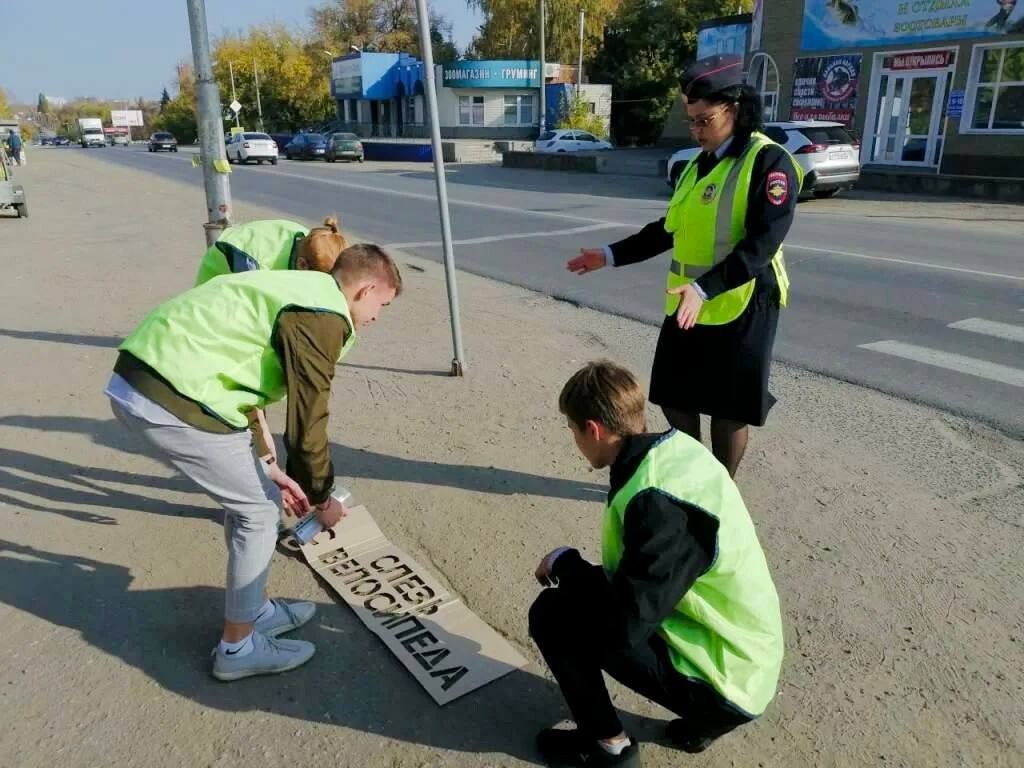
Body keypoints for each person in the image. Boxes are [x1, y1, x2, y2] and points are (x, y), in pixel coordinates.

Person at [105, 244, 402, 681]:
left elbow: (248, 388)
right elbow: (308, 423)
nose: (379, 317)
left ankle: (256, 611)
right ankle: (237, 648)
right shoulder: (322, 317)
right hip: (173, 395)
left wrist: (268, 465)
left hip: (152, 377)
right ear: (367, 289)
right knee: (259, 514)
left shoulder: (296, 289)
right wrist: (322, 500)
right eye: (384, 304)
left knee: (254, 497)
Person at [530, 361, 784, 767]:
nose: (574, 440)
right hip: (747, 655)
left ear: (593, 429)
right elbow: (649, 581)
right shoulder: (678, 453)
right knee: (597, 600)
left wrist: (568, 567)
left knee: (553, 614)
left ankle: (609, 746)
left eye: (573, 430)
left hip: (728, 681)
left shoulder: (657, 504)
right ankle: (701, 725)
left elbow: (625, 626)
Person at [567, 54, 802, 478]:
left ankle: (719, 492)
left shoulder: (769, 162)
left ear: (734, 110)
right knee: (676, 397)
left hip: (745, 299)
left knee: (728, 412)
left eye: (704, 120)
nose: (695, 131)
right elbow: (667, 229)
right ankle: (695, 476)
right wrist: (609, 253)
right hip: (688, 299)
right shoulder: (696, 165)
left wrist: (706, 288)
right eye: (691, 120)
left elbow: (763, 242)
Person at [194, 216, 351, 477]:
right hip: (223, 300)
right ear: (301, 266)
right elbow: (252, 329)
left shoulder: (319, 245)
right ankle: (249, 472)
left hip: (262, 289)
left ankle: (259, 463)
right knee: (243, 389)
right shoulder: (253, 265)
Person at [194, 216, 349, 285]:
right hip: (219, 288)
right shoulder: (251, 261)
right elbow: (251, 306)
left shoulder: (312, 241)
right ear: (302, 264)